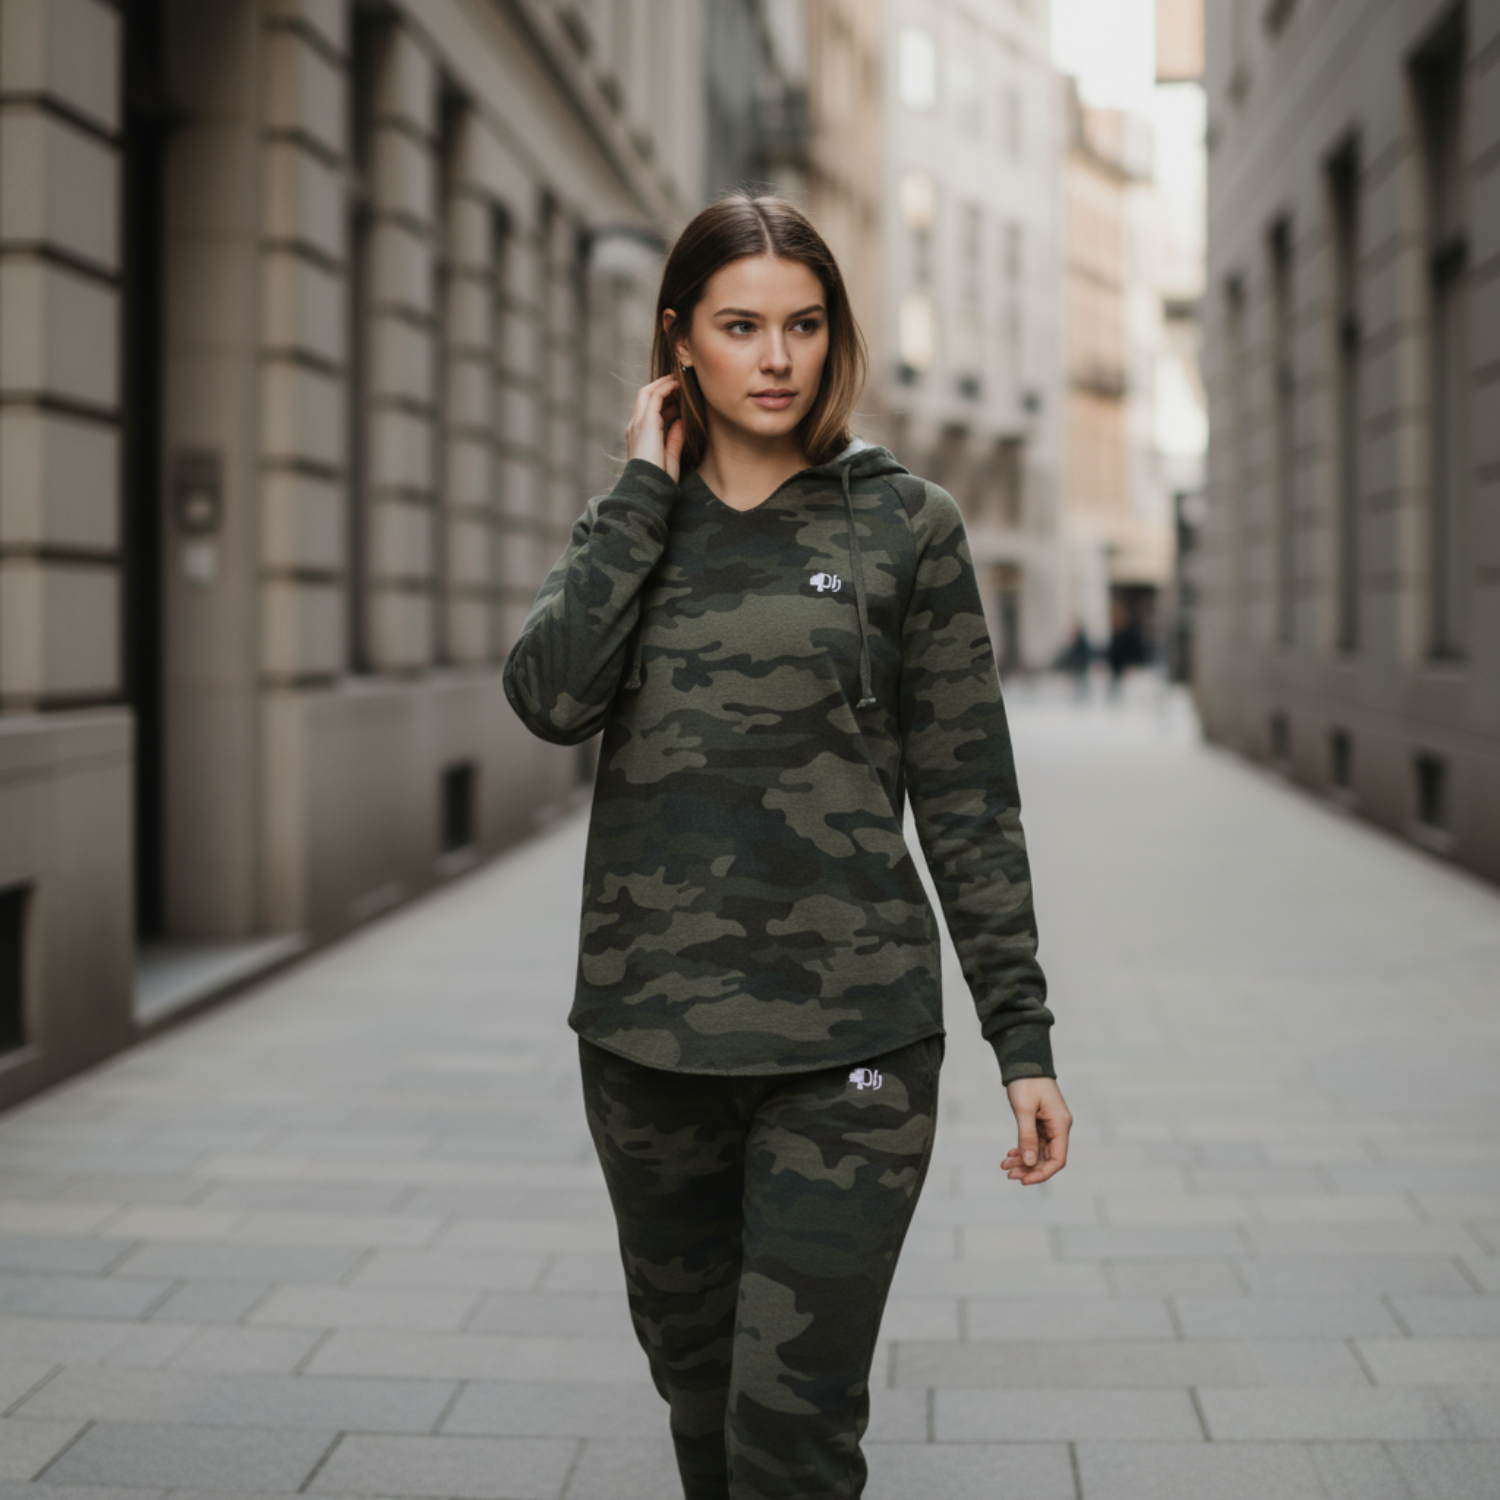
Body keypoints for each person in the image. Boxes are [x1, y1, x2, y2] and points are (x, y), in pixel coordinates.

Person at [504, 195, 1071, 1500]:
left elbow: (971, 795)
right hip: (651, 1043)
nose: (776, 358)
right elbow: (549, 699)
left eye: (804, 326)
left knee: (790, 1430)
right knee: (698, 1394)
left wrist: (1021, 1039)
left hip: (853, 1043)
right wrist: (640, 490)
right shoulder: (632, 524)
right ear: (679, 339)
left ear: (835, 338)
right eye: (741, 325)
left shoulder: (904, 525)